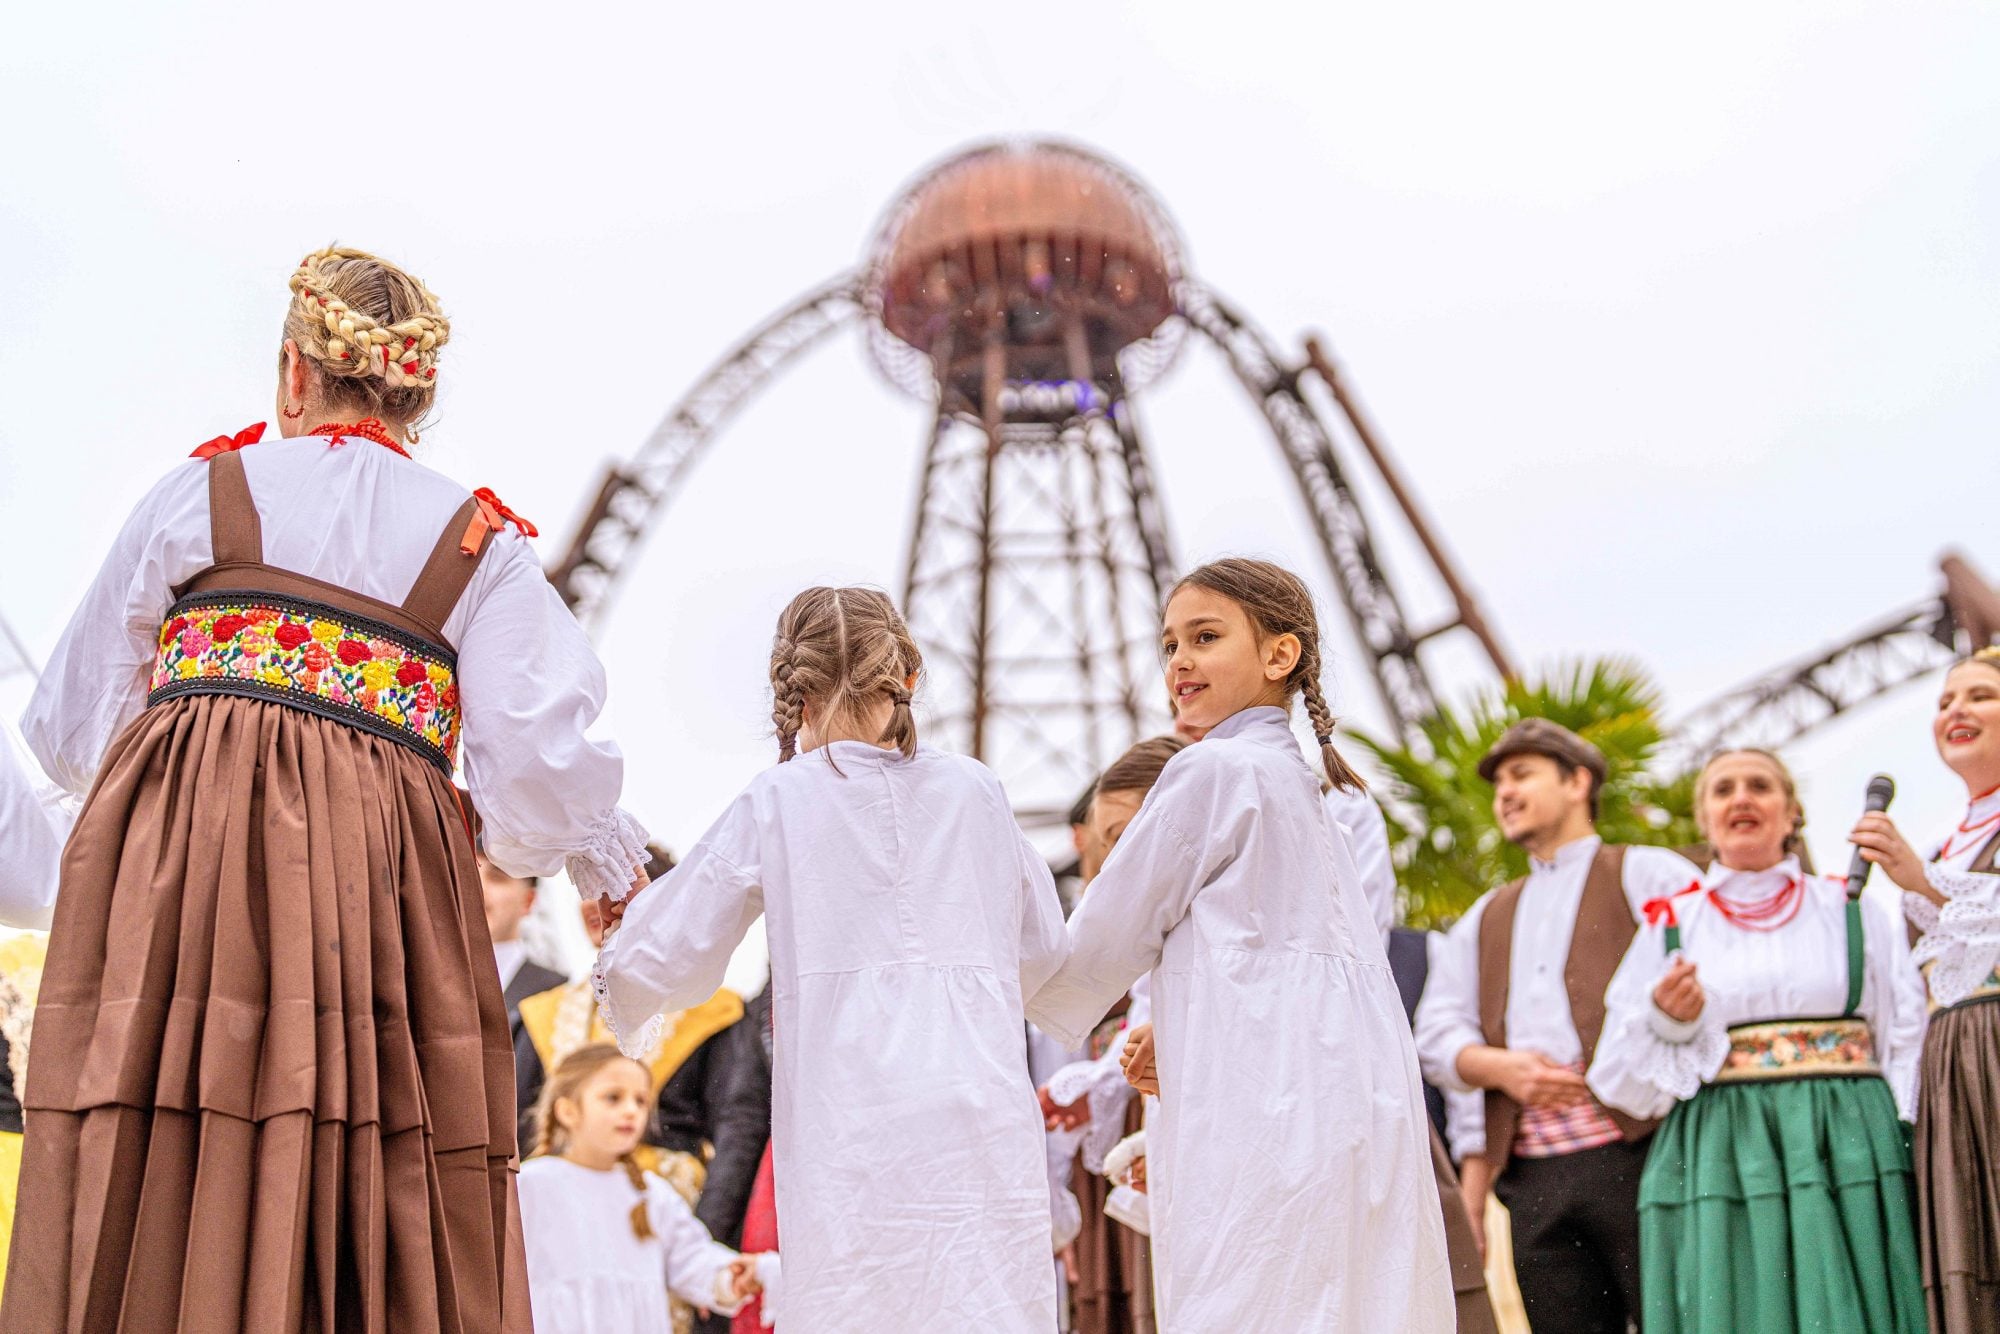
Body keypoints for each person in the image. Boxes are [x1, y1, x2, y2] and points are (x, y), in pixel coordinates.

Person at [4, 247, 652, 1331]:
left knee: (170, 1123)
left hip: (180, 880)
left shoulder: (198, 492)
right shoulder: (478, 545)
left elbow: (73, 728)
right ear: (422, 396)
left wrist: (198, 757)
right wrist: (592, 852)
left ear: (291, 374)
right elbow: (534, 784)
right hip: (373, 893)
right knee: (368, 1129)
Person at [594, 585, 1070, 1331]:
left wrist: (622, 935)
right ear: (907, 676)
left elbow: (669, 953)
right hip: (977, 1110)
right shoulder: (976, 791)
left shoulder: (781, 798)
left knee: (862, 1297)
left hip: (850, 1118)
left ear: (793, 692)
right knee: (985, 1300)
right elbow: (1043, 952)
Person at [1027, 557, 1452, 1330]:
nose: (1179, 660)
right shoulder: (1310, 791)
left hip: (1261, 1104)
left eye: (1205, 636)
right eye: (1168, 645)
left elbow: (1100, 945)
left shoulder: (1210, 771)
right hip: (1356, 1102)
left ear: (1279, 655)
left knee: (1253, 1297)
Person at [1590, 749, 1927, 1332]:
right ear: (1705, 819)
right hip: (1725, 1148)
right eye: (1723, 789)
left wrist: (1893, 1142)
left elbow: (1906, 1034)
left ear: (1791, 812)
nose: (1741, 798)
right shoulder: (1671, 922)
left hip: (1845, 1139)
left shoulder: (1852, 908)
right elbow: (1617, 1080)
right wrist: (1668, 1019)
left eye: (1759, 786)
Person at [1414, 717, 1703, 1334]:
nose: (1505, 794)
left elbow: (1707, 980)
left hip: (1651, 1153)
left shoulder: (1651, 874)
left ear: (1577, 783)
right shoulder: (1485, 916)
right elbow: (1435, 1031)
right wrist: (1498, 1068)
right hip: (1534, 1181)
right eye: (1497, 785)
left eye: (1522, 774)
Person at [1850, 648, 2000, 1331]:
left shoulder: (1929, 864)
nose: (1957, 711)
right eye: (1945, 702)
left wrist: (1920, 879)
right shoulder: (1944, 846)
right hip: (1952, 1066)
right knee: (1970, 1254)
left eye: (1980, 696)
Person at [518, 1044, 775, 1334]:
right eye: (613, 1098)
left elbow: (692, 1259)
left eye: (640, 1101)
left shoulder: (652, 1194)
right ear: (567, 1110)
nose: (630, 1111)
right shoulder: (531, 1184)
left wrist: (732, 1276)